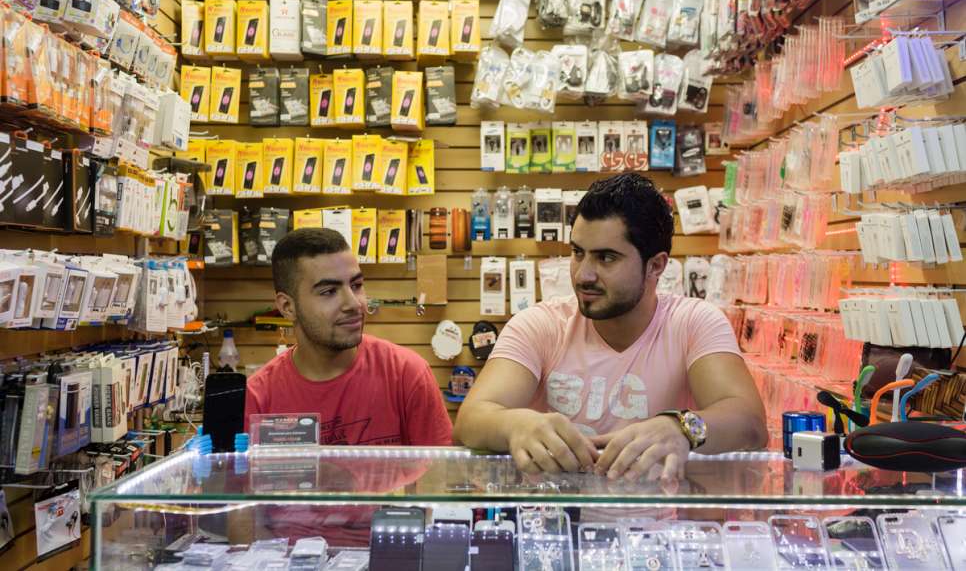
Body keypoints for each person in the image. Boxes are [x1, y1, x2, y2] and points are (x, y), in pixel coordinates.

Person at [454, 174, 766, 481]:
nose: (583, 274)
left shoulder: (694, 322)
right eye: (578, 253)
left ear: (656, 265)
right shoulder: (540, 325)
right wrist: (515, 425)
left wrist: (681, 428)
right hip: (558, 523)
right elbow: (470, 421)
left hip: (662, 526)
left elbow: (750, 424)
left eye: (606, 258)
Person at [245, 227, 452, 447]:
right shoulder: (258, 399)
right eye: (329, 292)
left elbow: (440, 476)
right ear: (288, 307)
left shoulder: (407, 375)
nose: (354, 303)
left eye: (356, 285)